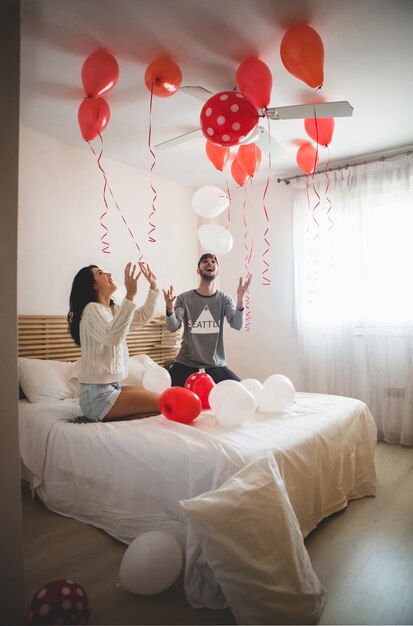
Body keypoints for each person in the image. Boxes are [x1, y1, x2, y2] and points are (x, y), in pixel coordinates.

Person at [68, 261, 160, 422]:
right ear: (93, 285)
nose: (109, 274)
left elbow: (143, 316)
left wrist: (154, 287)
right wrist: (130, 295)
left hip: (112, 388)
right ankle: (98, 414)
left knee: (160, 406)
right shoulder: (91, 310)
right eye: (101, 273)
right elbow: (112, 338)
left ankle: (103, 418)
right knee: (164, 404)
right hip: (97, 396)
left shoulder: (113, 310)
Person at [163, 253, 252, 387]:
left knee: (242, 391)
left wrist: (240, 300)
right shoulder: (184, 298)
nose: (210, 263)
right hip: (185, 364)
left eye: (213, 261)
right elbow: (173, 327)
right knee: (162, 393)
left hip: (216, 366)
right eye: (205, 261)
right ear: (198, 270)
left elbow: (237, 325)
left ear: (218, 270)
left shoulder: (225, 299)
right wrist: (170, 309)